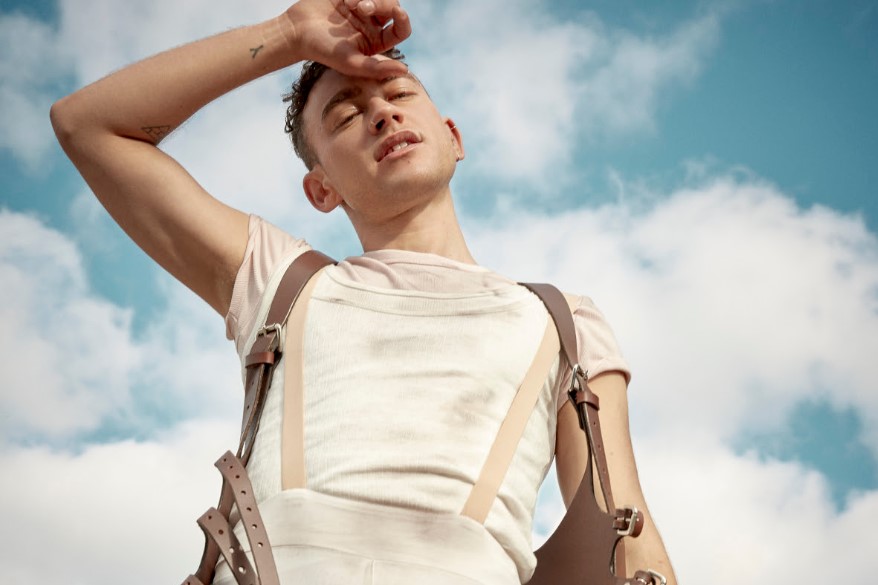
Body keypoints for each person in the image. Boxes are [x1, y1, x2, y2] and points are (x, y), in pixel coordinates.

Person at [50, 0, 677, 583]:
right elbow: (88, 125)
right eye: (346, 115)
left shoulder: (562, 322)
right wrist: (290, 34)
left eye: (399, 93)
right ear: (321, 188)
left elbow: (629, 538)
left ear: (454, 137)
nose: (383, 113)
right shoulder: (282, 283)